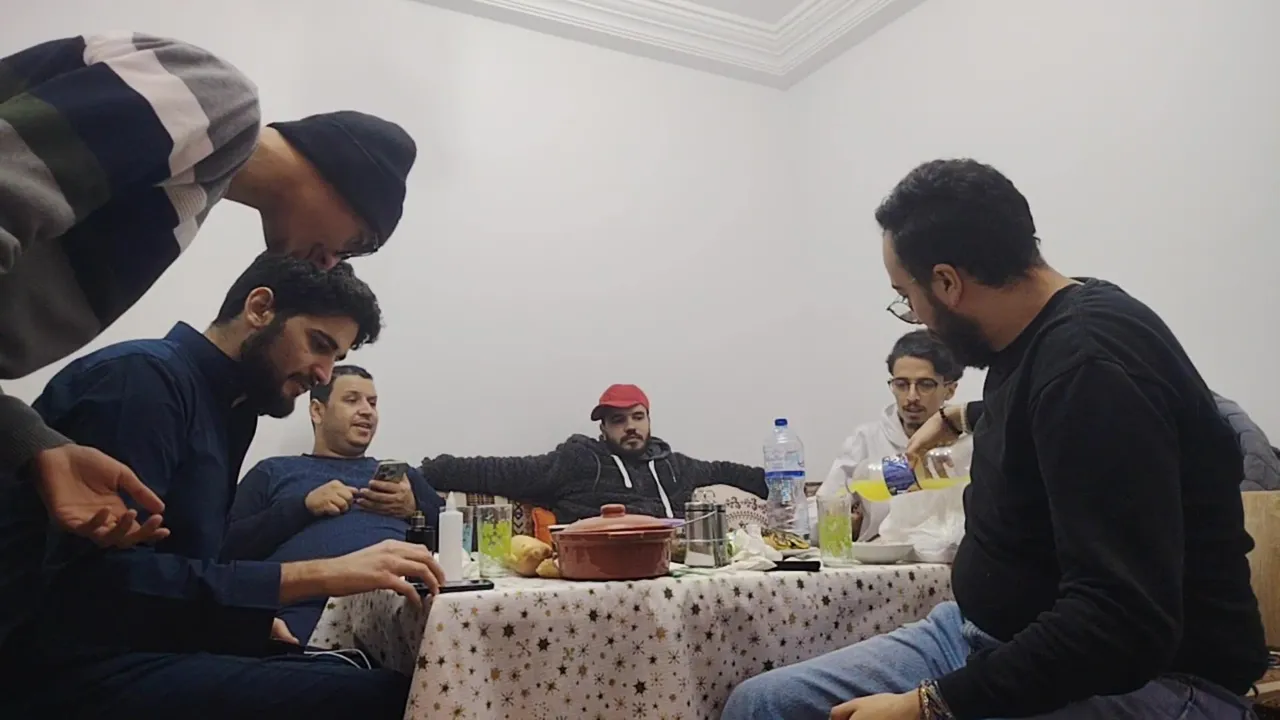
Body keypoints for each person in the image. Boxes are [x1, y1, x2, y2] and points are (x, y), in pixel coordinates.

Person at [722, 159, 1266, 720]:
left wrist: (931, 704)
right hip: (981, 633)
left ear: (947, 282)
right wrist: (962, 415)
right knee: (765, 705)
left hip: (1147, 678)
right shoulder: (1048, 337)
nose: (915, 316)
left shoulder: (1090, 367)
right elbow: (1046, 415)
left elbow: (1119, 622)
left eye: (907, 298)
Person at [0, 31, 417, 548]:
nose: (332, 261)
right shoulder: (217, 98)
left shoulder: (180, 206)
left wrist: (31, 443)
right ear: (348, 178)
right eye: (357, 243)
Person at [0, 254, 443, 719]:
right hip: (60, 670)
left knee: (378, 674)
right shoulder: (141, 381)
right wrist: (321, 574)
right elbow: (97, 589)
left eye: (336, 358)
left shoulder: (231, 411)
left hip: (134, 647)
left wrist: (242, 621)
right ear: (259, 308)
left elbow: (181, 567)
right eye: (318, 344)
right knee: (397, 699)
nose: (323, 374)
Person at [221, 364, 444, 644]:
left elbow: (462, 540)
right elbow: (225, 549)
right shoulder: (273, 471)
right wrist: (302, 508)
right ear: (317, 411)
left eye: (372, 403)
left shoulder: (402, 477)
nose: (367, 411)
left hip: (403, 605)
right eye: (352, 400)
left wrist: (414, 508)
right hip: (309, 611)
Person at [421, 384, 768, 523]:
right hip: (601, 570)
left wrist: (783, 482)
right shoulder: (580, 460)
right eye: (618, 420)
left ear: (649, 420)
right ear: (603, 429)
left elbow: (729, 472)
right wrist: (426, 473)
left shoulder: (675, 465)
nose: (630, 427)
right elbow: (503, 472)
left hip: (677, 572)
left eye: (638, 417)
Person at [818, 330, 972, 540]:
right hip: (879, 556)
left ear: (950, 390)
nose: (911, 397)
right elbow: (826, 506)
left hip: (950, 555)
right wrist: (844, 524)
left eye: (925, 385)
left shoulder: (968, 444)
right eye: (901, 384)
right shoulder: (867, 439)